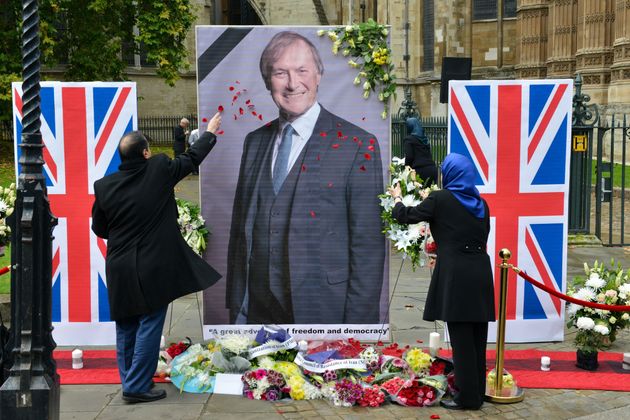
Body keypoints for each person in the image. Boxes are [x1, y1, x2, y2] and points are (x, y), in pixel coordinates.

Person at [226, 31, 385, 325]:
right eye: (280, 72)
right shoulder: (254, 141)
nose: (292, 83)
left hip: (325, 307)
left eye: (301, 71)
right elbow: (241, 231)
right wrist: (237, 304)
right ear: (267, 81)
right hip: (256, 311)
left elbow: (369, 246)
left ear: (319, 75)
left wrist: (359, 328)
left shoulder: (358, 144)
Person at [91, 113, 222, 404]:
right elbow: (191, 158)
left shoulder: (104, 185)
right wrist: (210, 132)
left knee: (126, 324)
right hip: (153, 264)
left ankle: (130, 382)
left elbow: (99, 228)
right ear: (146, 153)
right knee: (150, 320)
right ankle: (137, 386)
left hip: (119, 265)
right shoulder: (159, 168)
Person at [388, 153, 495, 410]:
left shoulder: (441, 198)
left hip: (456, 274)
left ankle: (467, 399)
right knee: (477, 338)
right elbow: (463, 233)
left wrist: (397, 197)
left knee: (460, 338)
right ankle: (476, 392)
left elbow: (405, 216)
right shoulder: (481, 203)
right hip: (480, 272)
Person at [404, 117, 438, 186]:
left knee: (419, 194)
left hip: (420, 171)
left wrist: (406, 168)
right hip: (432, 169)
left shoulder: (408, 139)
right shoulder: (424, 139)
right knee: (430, 193)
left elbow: (409, 156)